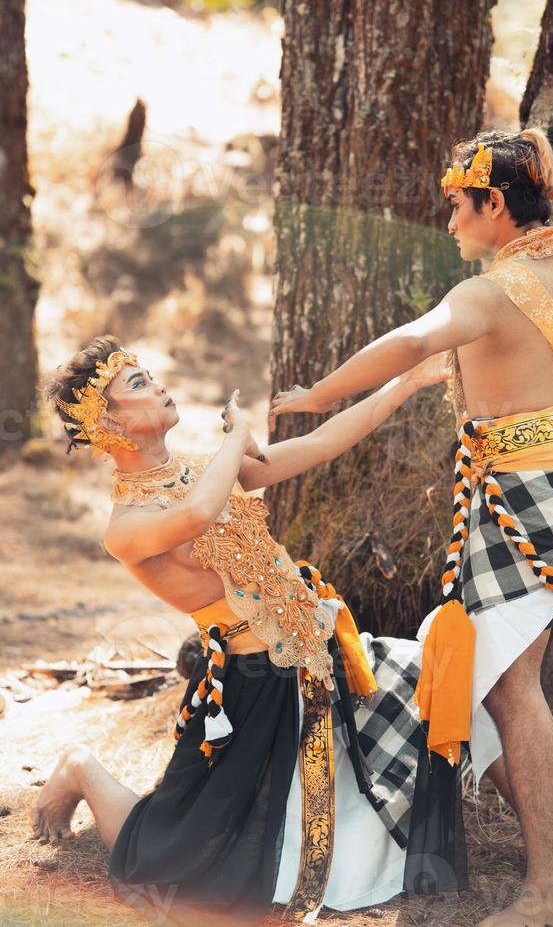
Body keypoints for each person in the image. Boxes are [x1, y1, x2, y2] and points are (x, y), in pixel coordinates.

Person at [270, 128, 553, 927]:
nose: (447, 220)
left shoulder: (489, 296)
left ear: (496, 204)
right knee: (495, 678)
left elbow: (409, 341)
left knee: (513, 688)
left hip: (522, 502)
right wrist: (546, 177)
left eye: (457, 203)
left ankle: (550, 892)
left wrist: (314, 396)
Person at [36, 335, 464, 925]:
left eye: (150, 375)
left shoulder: (198, 470)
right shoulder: (127, 526)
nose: (156, 385)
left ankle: (552, 841)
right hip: (253, 687)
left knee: (453, 681)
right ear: (107, 423)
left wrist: (408, 382)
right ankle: (82, 768)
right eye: (136, 385)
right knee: (177, 859)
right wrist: (236, 439)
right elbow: (194, 515)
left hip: (321, 660)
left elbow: (317, 445)